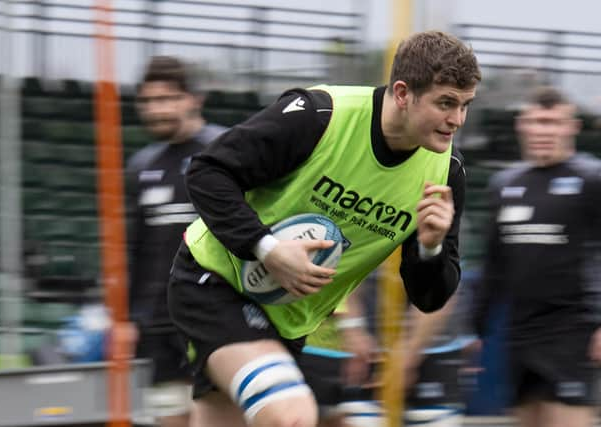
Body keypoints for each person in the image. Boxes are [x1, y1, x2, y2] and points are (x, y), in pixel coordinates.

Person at [169, 30, 481, 427]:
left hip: (288, 317)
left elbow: (430, 297)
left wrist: (431, 248)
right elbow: (208, 172)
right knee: (293, 415)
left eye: (465, 105)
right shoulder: (319, 115)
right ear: (403, 93)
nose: (457, 120)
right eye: (446, 103)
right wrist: (266, 248)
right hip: (215, 281)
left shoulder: (446, 173)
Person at [472, 86, 601, 427]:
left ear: (571, 127)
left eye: (553, 123)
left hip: (573, 330)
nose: (545, 131)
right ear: (522, 125)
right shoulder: (504, 185)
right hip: (521, 332)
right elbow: (493, 267)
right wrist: (475, 329)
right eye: (538, 122)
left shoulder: (590, 180)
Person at [126, 55, 225, 427]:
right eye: (148, 101)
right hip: (159, 328)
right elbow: (133, 250)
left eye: (166, 99)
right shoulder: (141, 166)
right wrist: (125, 318)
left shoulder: (223, 150)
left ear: (194, 98)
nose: (155, 110)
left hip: (213, 318)